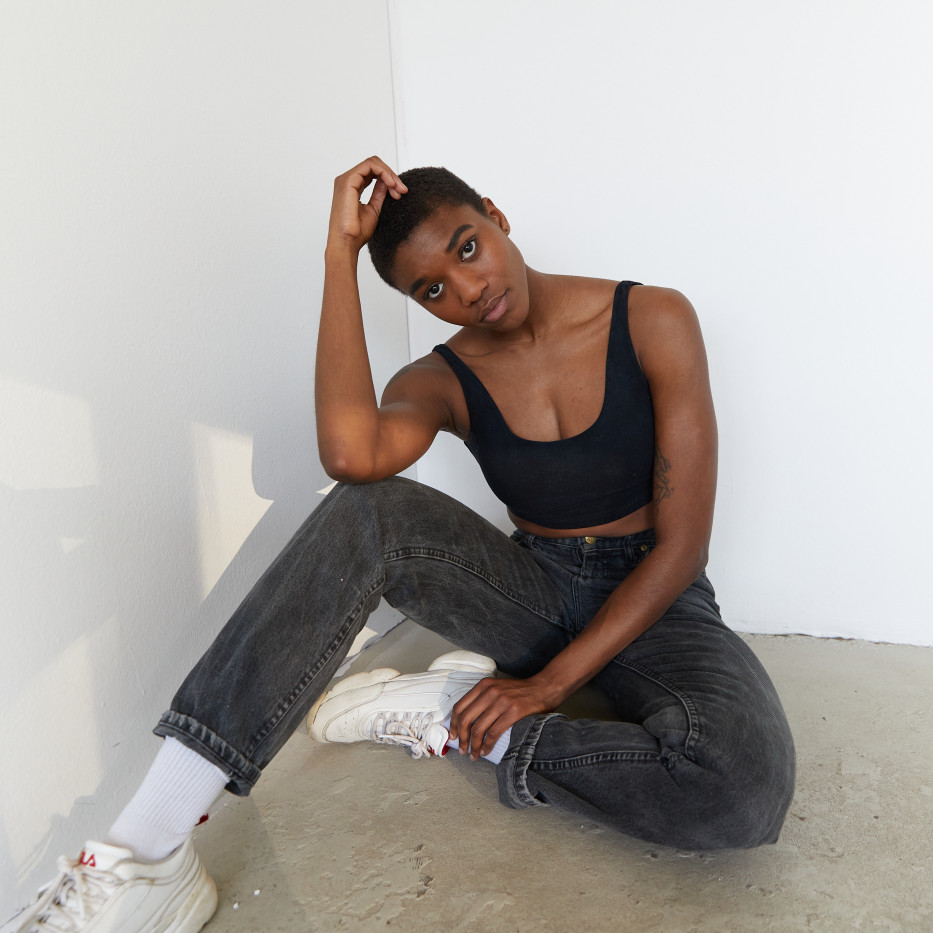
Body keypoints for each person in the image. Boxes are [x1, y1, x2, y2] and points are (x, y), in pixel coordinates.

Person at [3, 156, 795, 932]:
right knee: (368, 508)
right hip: (535, 588)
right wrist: (338, 256)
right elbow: (351, 456)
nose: (467, 289)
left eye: (467, 247)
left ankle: (452, 716)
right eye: (432, 290)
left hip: (658, 597)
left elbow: (682, 548)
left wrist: (543, 687)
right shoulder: (439, 379)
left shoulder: (652, 318)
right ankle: (146, 848)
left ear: (495, 216)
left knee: (741, 792)